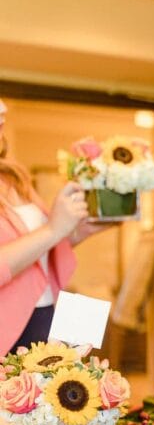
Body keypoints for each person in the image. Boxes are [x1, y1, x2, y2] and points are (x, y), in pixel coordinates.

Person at [0, 98, 99, 354]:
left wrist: (75, 230)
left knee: (66, 388)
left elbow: (40, 250)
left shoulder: (14, 178)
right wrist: (53, 229)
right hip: (7, 327)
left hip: (45, 312)